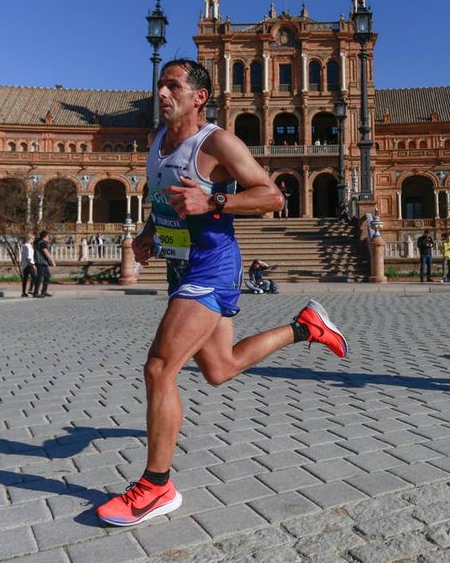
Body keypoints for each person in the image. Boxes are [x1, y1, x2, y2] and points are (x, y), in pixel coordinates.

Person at [95, 59, 347, 528]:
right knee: (220, 367)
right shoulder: (156, 141)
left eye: (173, 86)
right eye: (160, 85)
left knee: (158, 368)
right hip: (180, 265)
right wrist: (151, 231)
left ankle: (156, 486)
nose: (163, 92)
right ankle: (305, 326)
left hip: (212, 265)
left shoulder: (217, 142)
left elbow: (272, 196)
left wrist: (214, 200)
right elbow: (166, 197)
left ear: (199, 97)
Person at [33, 231, 55, 297]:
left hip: (43, 263)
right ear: (45, 237)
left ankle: (44, 291)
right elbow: (47, 253)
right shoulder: (42, 243)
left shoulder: (42, 243)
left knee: (47, 276)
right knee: (40, 277)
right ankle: (35, 293)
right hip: (40, 262)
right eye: (48, 236)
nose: (49, 238)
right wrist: (52, 261)